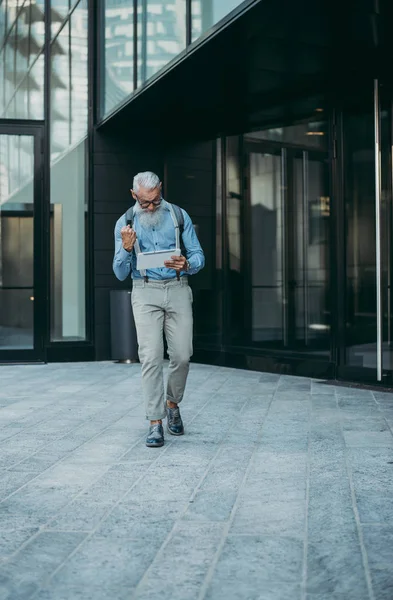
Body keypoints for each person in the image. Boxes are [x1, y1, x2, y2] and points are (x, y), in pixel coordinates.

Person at [113, 171, 205, 448]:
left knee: (182, 355)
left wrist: (187, 264)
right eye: (145, 203)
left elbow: (199, 255)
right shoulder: (125, 223)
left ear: (161, 190)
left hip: (177, 288)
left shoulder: (178, 216)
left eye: (155, 201)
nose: (151, 207)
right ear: (134, 196)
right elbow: (119, 273)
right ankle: (155, 422)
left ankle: (171, 403)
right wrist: (126, 249)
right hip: (144, 291)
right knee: (151, 357)